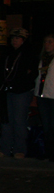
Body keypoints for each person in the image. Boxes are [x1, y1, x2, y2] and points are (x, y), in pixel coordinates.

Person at [0, 28, 36, 158]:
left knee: (19, 120)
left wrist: (21, 83)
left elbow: (31, 74)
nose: (15, 40)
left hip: (21, 91)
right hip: (7, 90)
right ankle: (5, 148)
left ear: (23, 40)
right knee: (6, 120)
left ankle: (20, 149)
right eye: (13, 38)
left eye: (18, 38)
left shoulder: (28, 53)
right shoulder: (7, 53)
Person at [36, 33, 54, 161]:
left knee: (52, 125)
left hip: (52, 95)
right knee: (46, 125)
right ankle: (48, 152)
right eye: (45, 42)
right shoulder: (42, 59)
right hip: (42, 95)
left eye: (50, 42)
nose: (47, 45)